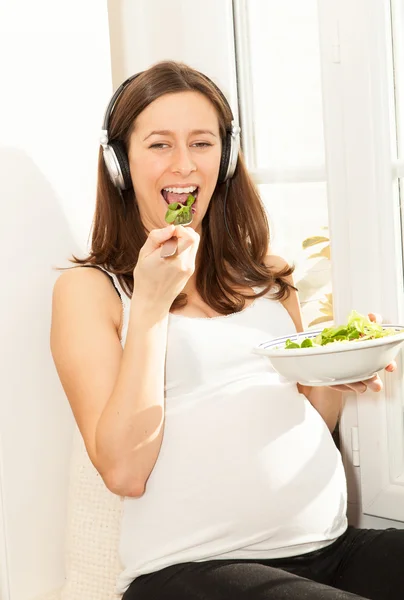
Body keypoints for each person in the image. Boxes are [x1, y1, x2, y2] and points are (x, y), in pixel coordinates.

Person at [50, 60, 403, 600]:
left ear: (227, 157)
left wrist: (341, 369)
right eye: (160, 145)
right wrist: (150, 306)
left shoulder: (266, 273)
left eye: (202, 143)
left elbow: (313, 413)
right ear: (120, 164)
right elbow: (124, 471)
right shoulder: (91, 290)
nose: (185, 165)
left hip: (329, 550)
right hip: (192, 573)